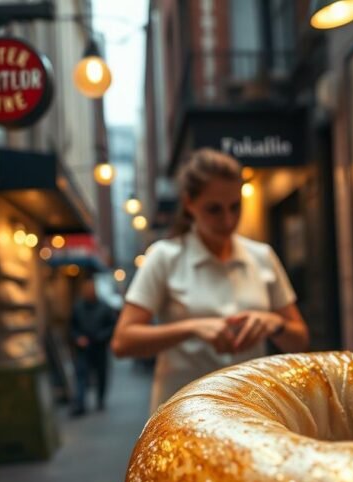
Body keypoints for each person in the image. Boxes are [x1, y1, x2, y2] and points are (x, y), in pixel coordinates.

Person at [111, 148, 310, 412]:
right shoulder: (164, 257)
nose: (228, 220)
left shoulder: (261, 256)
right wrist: (192, 328)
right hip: (185, 412)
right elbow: (123, 342)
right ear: (189, 203)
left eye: (235, 207)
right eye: (214, 210)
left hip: (250, 409)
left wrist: (274, 324)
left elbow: (300, 340)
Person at [70, 278, 116, 416]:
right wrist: (78, 338)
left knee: (101, 375)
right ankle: (80, 403)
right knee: (81, 375)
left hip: (99, 347)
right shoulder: (78, 307)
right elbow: (73, 327)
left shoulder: (105, 307)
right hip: (83, 349)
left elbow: (112, 326)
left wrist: (100, 337)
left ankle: (100, 400)